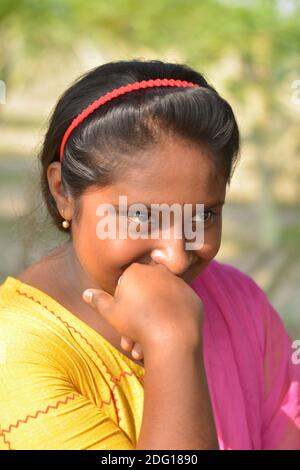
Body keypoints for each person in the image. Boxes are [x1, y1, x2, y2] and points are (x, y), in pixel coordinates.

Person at [0, 60, 299, 450]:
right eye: (141, 217)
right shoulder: (17, 356)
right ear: (63, 193)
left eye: (204, 215)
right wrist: (173, 344)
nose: (176, 258)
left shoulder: (239, 302)